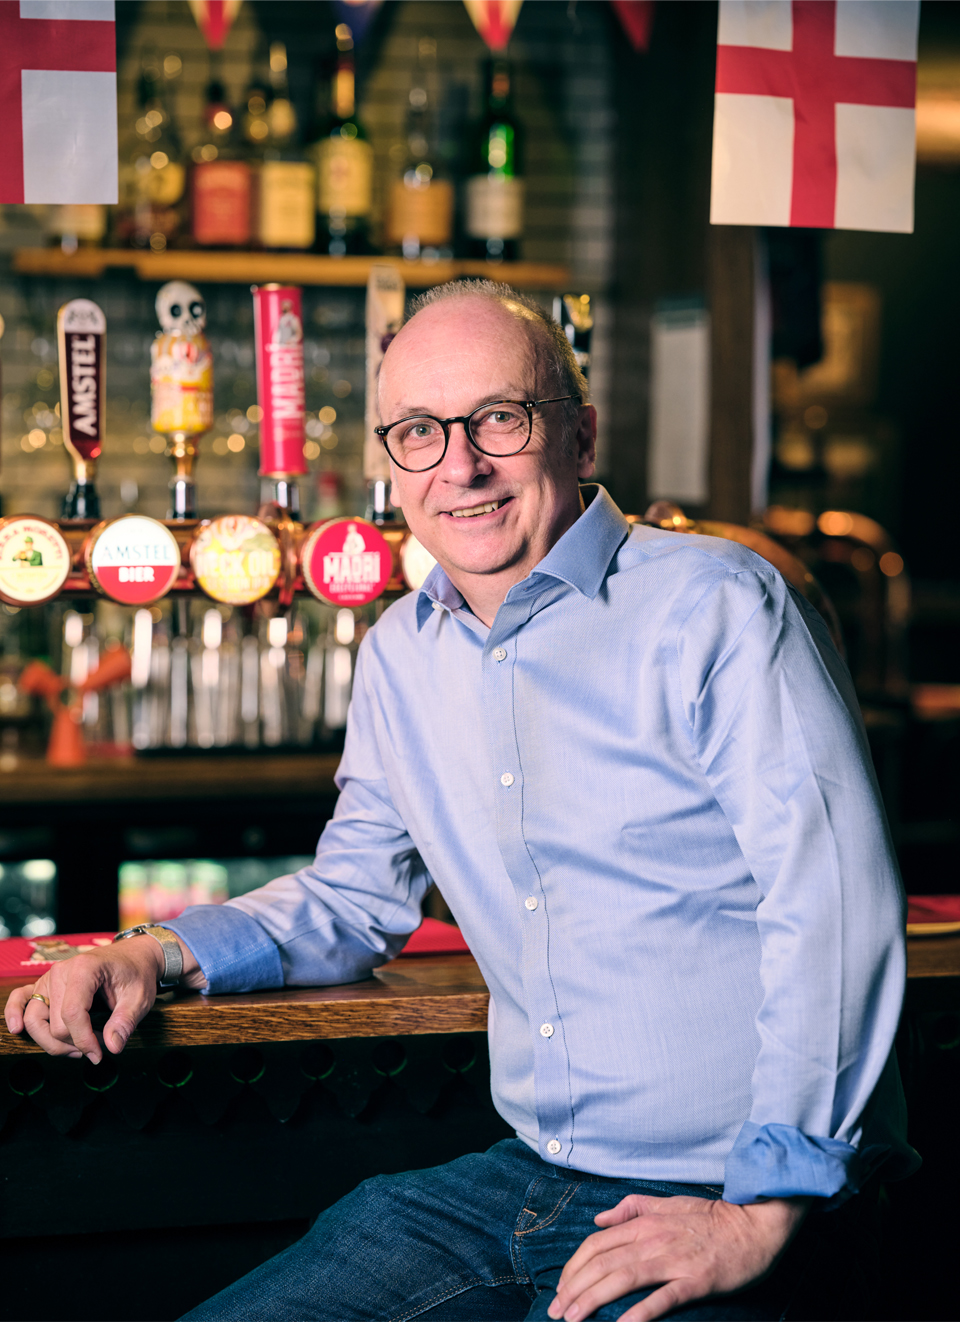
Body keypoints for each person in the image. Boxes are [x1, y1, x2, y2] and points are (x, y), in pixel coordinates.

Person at [5, 282, 917, 1322]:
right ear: (392, 465)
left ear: (578, 434)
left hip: (735, 1195)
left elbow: (836, 904)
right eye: (421, 432)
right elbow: (354, 899)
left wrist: (763, 1206)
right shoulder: (403, 651)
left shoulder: (717, 603)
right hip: (522, 1179)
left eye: (500, 418)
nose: (462, 465)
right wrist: (150, 952)